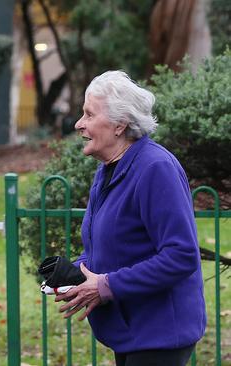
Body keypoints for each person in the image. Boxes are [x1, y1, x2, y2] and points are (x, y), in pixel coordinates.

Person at [55, 70, 206, 365]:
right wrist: (74, 275)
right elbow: (116, 247)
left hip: (161, 334)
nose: (79, 124)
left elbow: (182, 255)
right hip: (131, 331)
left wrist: (106, 286)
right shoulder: (109, 169)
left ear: (120, 124)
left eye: (89, 114)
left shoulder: (155, 168)